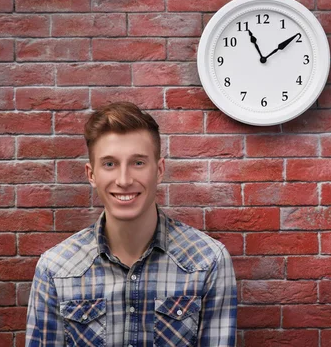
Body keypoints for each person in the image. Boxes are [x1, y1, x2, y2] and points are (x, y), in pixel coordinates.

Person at [25, 102, 237, 347]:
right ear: (91, 174)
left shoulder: (208, 262)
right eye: (109, 164)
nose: (124, 180)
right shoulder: (55, 269)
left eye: (138, 163)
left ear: (159, 170)